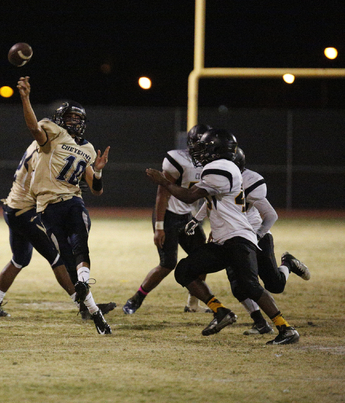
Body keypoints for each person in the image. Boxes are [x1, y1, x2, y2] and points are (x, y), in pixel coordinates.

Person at [146, 128, 300, 345]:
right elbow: (208, 201)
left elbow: (190, 197)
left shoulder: (222, 167)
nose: (199, 152)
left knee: (250, 286)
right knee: (184, 270)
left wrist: (163, 181)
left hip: (238, 237)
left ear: (217, 149)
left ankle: (286, 328)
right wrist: (195, 221)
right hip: (221, 241)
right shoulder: (219, 167)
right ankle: (220, 312)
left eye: (204, 148)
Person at [17, 76, 113, 335]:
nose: (74, 122)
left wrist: (99, 172)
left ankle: (84, 287)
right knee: (68, 260)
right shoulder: (52, 133)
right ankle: (95, 313)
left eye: (77, 118)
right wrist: (25, 98)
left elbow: (97, 189)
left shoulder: (90, 149)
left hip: (72, 200)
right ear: (61, 120)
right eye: (70, 117)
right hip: (47, 206)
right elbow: (34, 128)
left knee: (81, 246)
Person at [0, 141, 117, 320]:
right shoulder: (50, 149)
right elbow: (45, 183)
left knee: (19, 259)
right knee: (58, 257)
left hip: (14, 207)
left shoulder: (42, 143)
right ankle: (84, 306)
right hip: (26, 210)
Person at [186, 147, 310, 335]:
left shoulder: (250, 181)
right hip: (232, 238)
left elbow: (271, 215)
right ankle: (260, 322)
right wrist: (197, 220)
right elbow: (209, 200)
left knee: (274, 285)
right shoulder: (221, 178)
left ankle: (288, 264)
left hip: (254, 236)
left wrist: (257, 237)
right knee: (239, 286)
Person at [123, 124, 211, 315]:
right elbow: (162, 193)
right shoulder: (177, 159)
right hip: (169, 215)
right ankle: (135, 299)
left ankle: (193, 303)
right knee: (168, 263)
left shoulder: (212, 164)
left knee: (203, 258)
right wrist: (159, 227)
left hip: (189, 217)